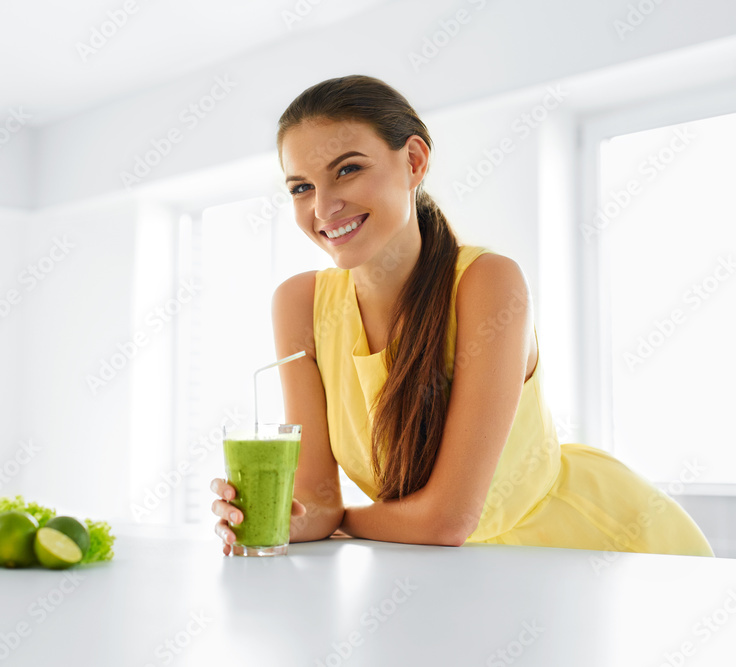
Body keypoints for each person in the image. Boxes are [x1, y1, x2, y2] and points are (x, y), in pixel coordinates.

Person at [209, 74, 714, 559]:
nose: (323, 207)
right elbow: (318, 503)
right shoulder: (298, 304)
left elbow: (447, 522)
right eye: (300, 188)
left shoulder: (487, 284)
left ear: (413, 160)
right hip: (451, 578)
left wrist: (342, 520)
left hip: (599, 549)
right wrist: (278, 518)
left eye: (347, 169)